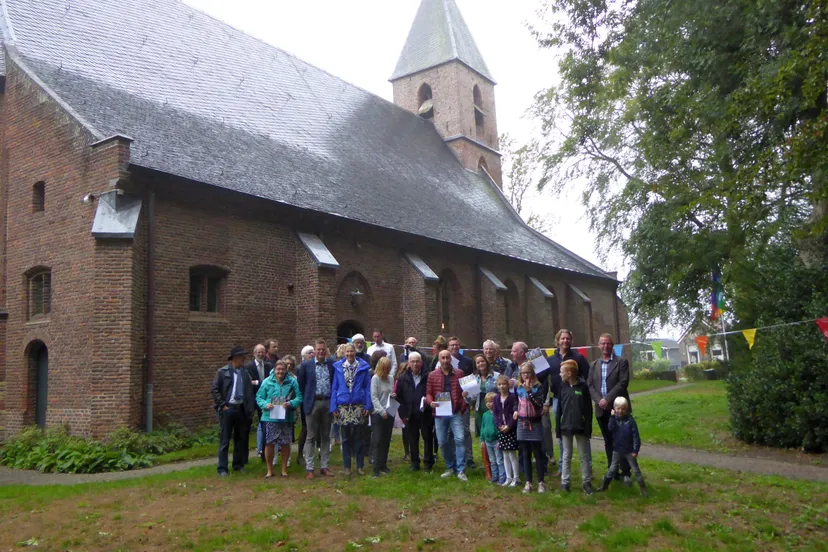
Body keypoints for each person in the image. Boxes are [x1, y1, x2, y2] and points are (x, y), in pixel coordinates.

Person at [588, 333, 632, 485]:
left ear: (612, 345)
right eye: (603, 343)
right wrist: (600, 401)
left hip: (619, 408)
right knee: (608, 441)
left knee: (623, 440)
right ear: (598, 346)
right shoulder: (594, 365)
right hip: (602, 410)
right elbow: (590, 385)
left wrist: (607, 399)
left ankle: (626, 472)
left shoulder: (621, 362)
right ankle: (612, 471)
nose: (605, 346)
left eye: (608, 343)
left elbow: (623, 383)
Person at [545, 329, 589, 477]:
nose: (565, 341)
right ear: (557, 340)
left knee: (582, 433)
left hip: (576, 399)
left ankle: (587, 468)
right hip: (558, 400)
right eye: (562, 338)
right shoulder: (551, 360)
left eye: (568, 339)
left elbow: (587, 377)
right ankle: (562, 469)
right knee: (563, 433)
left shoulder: (578, 357)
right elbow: (542, 377)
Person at [211, 345, 256, 476]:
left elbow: (249, 392)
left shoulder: (245, 373)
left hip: (241, 409)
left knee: (240, 439)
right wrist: (222, 405)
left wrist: (249, 409)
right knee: (225, 440)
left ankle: (238, 465)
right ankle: (222, 468)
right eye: (242, 356)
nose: (244, 359)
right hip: (228, 409)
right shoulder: (222, 372)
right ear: (236, 358)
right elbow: (215, 389)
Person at [330, 343, 372, 475]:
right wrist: (333, 406)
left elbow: (367, 387)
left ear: (355, 352)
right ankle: (346, 466)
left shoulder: (363, 367)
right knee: (346, 438)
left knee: (359, 437)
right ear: (344, 353)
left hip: (358, 404)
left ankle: (360, 466)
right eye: (347, 352)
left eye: (352, 352)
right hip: (342, 405)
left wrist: (368, 405)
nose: (349, 354)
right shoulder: (338, 367)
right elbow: (335, 387)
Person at [426, 349, 468, 481]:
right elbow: (428, 392)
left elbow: (466, 391)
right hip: (440, 413)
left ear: (451, 359)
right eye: (442, 358)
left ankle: (460, 469)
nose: (445, 360)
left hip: (455, 412)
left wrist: (463, 404)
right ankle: (450, 466)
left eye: (447, 358)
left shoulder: (460, 373)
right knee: (442, 442)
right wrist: (430, 402)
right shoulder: (432, 375)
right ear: (439, 359)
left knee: (460, 439)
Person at [256, 359, 302, 478]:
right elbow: (259, 397)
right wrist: (266, 404)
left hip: (286, 418)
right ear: (274, 370)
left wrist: (291, 403)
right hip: (269, 417)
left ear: (286, 370)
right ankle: (270, 470)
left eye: (283, 369)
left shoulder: (292, 381)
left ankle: (284, 469)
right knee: (270, 444)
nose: (280, 371)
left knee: (285, 443)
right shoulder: (267, 382)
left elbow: (299, 396)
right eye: (278, 369)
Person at [554, 359, 594, 494]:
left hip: (581, 426)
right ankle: (565, 482)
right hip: (565, 426)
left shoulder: (583, 387)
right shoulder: (562, 386)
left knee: (584, 456)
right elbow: (559, 408)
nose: (560, 375)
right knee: (566, 455)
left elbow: (588, 410)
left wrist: (588, 428)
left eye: (561, 372)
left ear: (569, 373)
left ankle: (586, 482)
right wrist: (558, 429)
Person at [298, 339, 335, 479]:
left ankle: (324, 466)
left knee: (326, 435)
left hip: (327, 402)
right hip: (312, 403)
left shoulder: (331, 364)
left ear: (325, 350)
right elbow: (301, 386)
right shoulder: (306, 365)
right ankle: (310, 468)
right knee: (311, 436)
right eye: (318, 349)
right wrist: (304, 402)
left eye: (323, 349)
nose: (320, 352)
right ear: (315, 351)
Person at [598, 397, 648, 497]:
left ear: (626, 409)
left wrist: (635, 450)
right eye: (618, 408)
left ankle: (643, 489)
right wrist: (612, 417)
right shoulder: (614, 419)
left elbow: (635, 436)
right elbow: (610, 428)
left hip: (629, 450)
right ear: (614, 409)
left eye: (623, 409)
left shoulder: (630, 420)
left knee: (635, 469)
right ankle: (604, 486)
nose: (620, 411)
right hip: (617, 449)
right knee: (612, 468)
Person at [396, 351, 434, 472]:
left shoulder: (428, 376)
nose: (415, 364)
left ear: (422, 363)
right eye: (412, 361)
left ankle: (428, 463)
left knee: (428, 438)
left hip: (425, 413)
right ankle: (414, 463)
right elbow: (399, 397)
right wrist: (403, 415)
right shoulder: (402, 378)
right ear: (408, 363)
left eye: (417, 361)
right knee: (412, 439)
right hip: (410, 414)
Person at [515, 361, 548, 493]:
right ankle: (528, 482)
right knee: (525, 453)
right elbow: (515, 402)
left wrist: (529, 392)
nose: (526, 375)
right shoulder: (518, 387)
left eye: (528, 372)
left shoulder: (538, 386)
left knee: (538, 453)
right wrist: (514, 410)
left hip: (535, 423)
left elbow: (539, 403)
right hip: (522, 423)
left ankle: (541, 482)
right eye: (523, 373)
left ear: (532, 373)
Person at [447, 336, 475, 469]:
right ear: (448, 347)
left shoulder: (467, 362)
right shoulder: (444, 360)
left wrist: (470, 399)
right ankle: (455, 457)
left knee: (465, 430)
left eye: (456, 345)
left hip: (463, 401)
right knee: (451, 432)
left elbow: (471, 382)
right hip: (448, 402)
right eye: (452, 345)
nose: (454, 347)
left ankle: (469, 458)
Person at [245, 344, 272, 461]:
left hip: (265, 399)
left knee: (266, 425)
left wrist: (257, 382)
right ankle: (244, 456)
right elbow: (247, 382)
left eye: (262, 352)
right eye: (258, 352)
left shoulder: (268, 366)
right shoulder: (248, 367)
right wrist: (260, 382)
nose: (260, 354)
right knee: (246, 426)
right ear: (254, 353)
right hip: (251, 399)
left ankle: (264, 454)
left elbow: (271, 381)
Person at [370, 357, 395, 477]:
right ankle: (375, 468)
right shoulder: (375, 379)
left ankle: (383, 465)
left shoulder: (390, 378)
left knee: (386, 440)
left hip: (389, 412)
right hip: (378, 414)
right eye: (386, 368)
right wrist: (381, 411)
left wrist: (393, 395)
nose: (388, 370)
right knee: (378, 440)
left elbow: (390, 393)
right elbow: (374, 397)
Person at [493, 374, 518, 487]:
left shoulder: (513, 397)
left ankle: (516, 477)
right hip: (501, 429)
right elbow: (496, 413)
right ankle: (508, 477)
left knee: (512, 454)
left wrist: (509, 426)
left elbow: (515, 413)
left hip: (510, 428)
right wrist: (499, 425)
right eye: (499, 384)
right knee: (504, 454)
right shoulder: (496, 398)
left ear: (508, 385)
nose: (502, 386)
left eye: (504, 384)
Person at [479, 392, 501, 484]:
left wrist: (500, 439)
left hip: (496, 440)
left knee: (499, 459)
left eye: (491, 401)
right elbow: (482, 427)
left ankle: (501, 476)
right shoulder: (485, 415)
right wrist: (482, 439)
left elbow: (499, 427)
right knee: (492, 460)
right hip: (487, 441)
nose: (488, 404)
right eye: (487, 402)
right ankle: (494, 476)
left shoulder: (498, 414)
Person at [395, 361, 411, 462]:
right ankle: (407, 452)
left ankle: (414, 451)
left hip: (412, 408)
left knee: (413, 432)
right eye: (404, 370)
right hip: (403, 409)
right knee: (405, 431)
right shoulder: (399, 381)